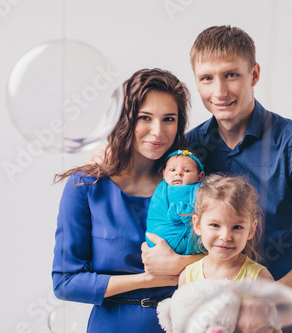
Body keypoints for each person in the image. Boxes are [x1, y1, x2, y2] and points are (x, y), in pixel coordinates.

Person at [141, 25, 292, 319]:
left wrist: (261, 306)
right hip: (210, 313)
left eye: (231, 75)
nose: (219, 92)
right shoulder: (189, 150)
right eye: (207, 78)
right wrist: (105, 154)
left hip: (289, 310)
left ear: (254, 74)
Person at [51, 68, 202, 333]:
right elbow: (65, 282)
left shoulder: (192, 186)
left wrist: (180, 265)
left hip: (186, 323)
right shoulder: (85, 187)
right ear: (123, 119)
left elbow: (228, 255)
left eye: (169, 118)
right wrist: (147, 279)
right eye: (145, 117)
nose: (157, 131)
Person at [179, 174, 274, 286]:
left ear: (251, 229)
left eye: (237, 227)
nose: (225, 236)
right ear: (197, 225)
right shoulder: (188, 276)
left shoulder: (260, 278)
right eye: (215, 225)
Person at [145, 149, 205, 255]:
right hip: (159, 234)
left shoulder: (202, 190)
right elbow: (159, 211)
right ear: (164, 174)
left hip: (188, 235)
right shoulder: (161, 190)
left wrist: (188, 213)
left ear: (200, 176)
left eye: (186, 171)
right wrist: (184, 213)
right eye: (172, 170)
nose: (178, 173)